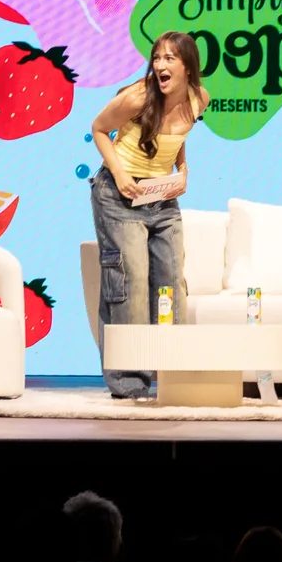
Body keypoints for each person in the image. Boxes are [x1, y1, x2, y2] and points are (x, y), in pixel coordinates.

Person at [90, 32, 208, 399]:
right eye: (157, 58)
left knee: (171, 284)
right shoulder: (137, 97)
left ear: (188, 67)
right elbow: (99, 129)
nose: (160, 65)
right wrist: (120, 175)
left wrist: (183, 171)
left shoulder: (199, 99)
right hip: (119, 195)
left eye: (170, 58)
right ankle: (129, 383)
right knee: (132, 283)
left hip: (162, 197)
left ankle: (171, 372)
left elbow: (179, 138)